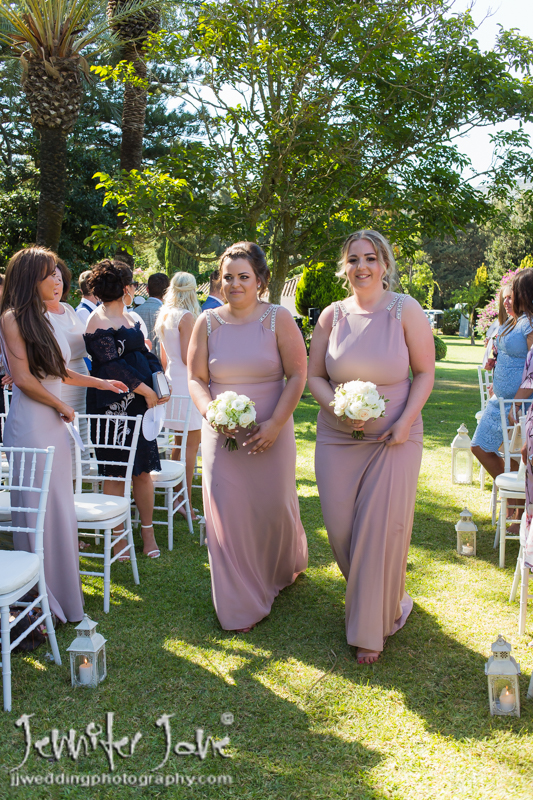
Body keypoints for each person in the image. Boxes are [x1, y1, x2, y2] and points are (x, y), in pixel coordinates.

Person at [308, 230, 434, 664]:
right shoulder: (331, 316)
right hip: (337, 437)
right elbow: (314, 377)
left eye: (370, 258)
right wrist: (337, 409)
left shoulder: (406, 310)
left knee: (380, 529)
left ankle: (370, 628)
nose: (362, 266)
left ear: (384, 264)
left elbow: (424, 372)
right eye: (353, 259)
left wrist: (404, 422)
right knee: (341, 530)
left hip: (393, 437)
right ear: (345, 267)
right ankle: (382, 597)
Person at [0, 247, 128, 623]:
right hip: (31, 423)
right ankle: (39, 600)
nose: (57, 280)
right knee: (40, 511)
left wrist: (100, 382)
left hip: (54, 419)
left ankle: (63, 601)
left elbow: (59, 372)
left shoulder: (48, 318)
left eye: (58, 273)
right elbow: (23, 380)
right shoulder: (12, 318)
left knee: (59, 510)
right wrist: (61, 407)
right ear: (29, 279)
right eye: (47, 274)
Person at [188, 241, 308, 632]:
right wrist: (210, 413)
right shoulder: (206, 323)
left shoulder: (278, 319)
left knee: (272, 507)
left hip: (271, 431)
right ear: (218, 281)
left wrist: (275, 424)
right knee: (227, 513)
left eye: (243, 277)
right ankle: (238, 603)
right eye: (227, 277)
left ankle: (280, 569)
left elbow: (298, 375)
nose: (235, 284)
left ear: (261, 280)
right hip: (221, 436)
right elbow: (196, 378)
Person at [84, 259, 169, 559]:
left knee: (143, 470)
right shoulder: (97, 321)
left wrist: (160, 385)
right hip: (112, 408)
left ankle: (148, 532)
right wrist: (146, 391)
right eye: (132, 284)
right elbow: (112, 366)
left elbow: (147, 354)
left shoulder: (132, 319)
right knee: (116, 471)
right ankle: (118, 536)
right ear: (126, 288)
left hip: (142, 405)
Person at [471, 269, 533, 480]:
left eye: (516, 289)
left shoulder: (531, 323)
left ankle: (517, 506)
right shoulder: (514, 320)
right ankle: (516, 500)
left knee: (515, 455)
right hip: (500, 401)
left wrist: (517, 404)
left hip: (519, 404)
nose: (512, 294)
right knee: (478, 447)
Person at [155, 272, 203, 519]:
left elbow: (164, 359)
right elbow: (189, 357)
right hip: (186, 381)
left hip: (172, 379)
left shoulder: (164, 315)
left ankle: (176, 496)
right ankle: (184, 501)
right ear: (192, 291)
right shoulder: (186, 317)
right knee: (191, 446)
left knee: (178, 443)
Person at [45, 259, 90, 473]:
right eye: (51, 279)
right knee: (62, 439)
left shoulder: (69, 309)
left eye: (59, 279)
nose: (56, 284)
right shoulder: (39, 316)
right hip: (60, 383)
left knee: (80, 436)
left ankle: (78, 486)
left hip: (81, 380)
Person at [134, 272, 170, 357]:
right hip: (159, 365)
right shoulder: (166, 313)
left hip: (139, 363)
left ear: (147, 289)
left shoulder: (135, 311)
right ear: (167, 291)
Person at [482, 285, 512, 371]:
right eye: (504, 298)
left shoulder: (522, 324)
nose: (505, 302)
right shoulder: (502, 323)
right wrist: (494, 361)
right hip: (500, 376)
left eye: (509, 297)